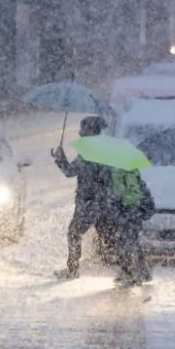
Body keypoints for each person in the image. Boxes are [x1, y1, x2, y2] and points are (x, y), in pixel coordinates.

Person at [51, 115, 113, 279]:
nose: (80, 133)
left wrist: (60, 159)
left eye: (82, 129)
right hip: (104, 201)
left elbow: (70, 171)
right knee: (107, 236)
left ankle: (73, 270)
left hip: (89, 202)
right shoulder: (105, 149)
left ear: (89, 131)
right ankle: (127, 268)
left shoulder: (89, 152)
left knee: (74, 233)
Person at [104, 166, 155, 287]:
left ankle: (129, 273)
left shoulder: (116, 176)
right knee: (133, 242)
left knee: (124, 243)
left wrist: (114, 211)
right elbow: (144, 193)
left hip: (125, 214)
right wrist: (145, 210)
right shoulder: (134, 174)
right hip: (134, 214)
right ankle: (142, 271)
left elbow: (114, 196)